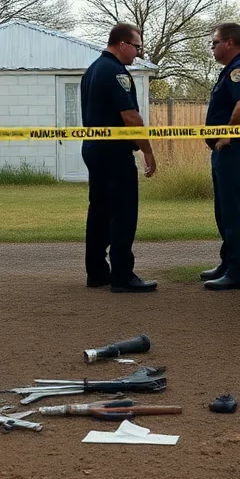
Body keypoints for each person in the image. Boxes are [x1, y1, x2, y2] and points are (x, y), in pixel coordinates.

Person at [81, 23, 159, 293]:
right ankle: (123, 275)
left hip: (94, 148)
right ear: (123, 43)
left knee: (99, 211)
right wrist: (147, 150)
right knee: (124, 212)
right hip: (114, 153)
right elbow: (131, 117)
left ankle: (97, 271)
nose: (137, 53)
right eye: (136, 47)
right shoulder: (116, 72)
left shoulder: (92, 70)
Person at [199, 22, 240, 290]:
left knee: (233, 212)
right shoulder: (233, 70)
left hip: (234, 151)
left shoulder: (238, 71)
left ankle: (239, 272)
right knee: (239, 210)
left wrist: (227, 133)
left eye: (214, 42)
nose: (212, 47)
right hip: (235, 151)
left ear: (229, 42)